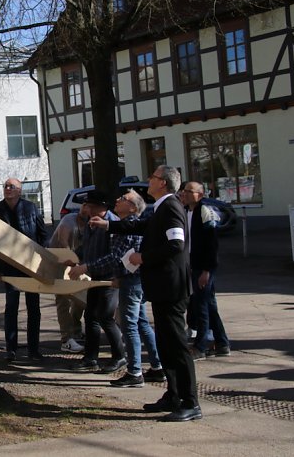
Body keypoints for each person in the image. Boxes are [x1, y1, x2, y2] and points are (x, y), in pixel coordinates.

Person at [90, 166, 200, 422]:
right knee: (165, 344)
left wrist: (142, 257)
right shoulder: (162, 206)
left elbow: (176, 244)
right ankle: (173, 395)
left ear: (162, 183)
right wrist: (110, 225)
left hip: (172, 288)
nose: (148, 180)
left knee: (177, 346)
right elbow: (144, 226)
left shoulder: (171, 206)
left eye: (152, 177)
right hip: (162, 289)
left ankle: (190, 402)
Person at [73, 190, 163, 387]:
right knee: (140, 323)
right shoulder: (119, 224)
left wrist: (86, 267)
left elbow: (115, 257)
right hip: (127, 279)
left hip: (130, 280)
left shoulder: (129, 225)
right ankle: (157, 367)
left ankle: (134, 372)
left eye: (123, 199)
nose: (117, 199)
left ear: (133, 207)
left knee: (129, 325)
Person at [0, 177, 48, 361]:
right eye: (5, 186)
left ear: (20, 190)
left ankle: (33, 349)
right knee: (11, 307)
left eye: (11, 186)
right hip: (8, 267)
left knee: (33, 308)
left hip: (31, 266)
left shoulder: (30, 208)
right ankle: (11, 349)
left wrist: (43, 263)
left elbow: (43, 235)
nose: (7, 189)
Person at [67, 190, 126, 374]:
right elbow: (87, 247)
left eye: (91, 206)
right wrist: (76, 257)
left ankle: (119, 356)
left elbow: (114, 257)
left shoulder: (113, 224)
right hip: (95, 278)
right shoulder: (91, 223)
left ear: (102, 207)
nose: (87, 209)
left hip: (110, 279)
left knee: (106, 317)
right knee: (91, 317)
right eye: (87, 205)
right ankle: (90, 358)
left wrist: (85, 267)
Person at [181, 182, 231, 360]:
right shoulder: (186, 211)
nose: (184, 194)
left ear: (200, 195)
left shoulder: (204, 212)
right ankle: (222, 343)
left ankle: (200, 346)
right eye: (184, 191)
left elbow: (212, 245)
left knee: (201, 306)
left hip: (203, 267)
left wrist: (206, 271)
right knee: (209, 305)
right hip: (192, 264)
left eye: (189, 191)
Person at [49, 209, 86, 353]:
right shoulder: (69, 221)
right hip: (59, 260)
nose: (85, 209)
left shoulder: (94, 222)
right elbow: (63, 241)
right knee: (62, 297)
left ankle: (76, 330)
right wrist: (71, 261)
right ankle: (66, 338)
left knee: (81, 293)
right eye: (84, 206)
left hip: (79, 261)